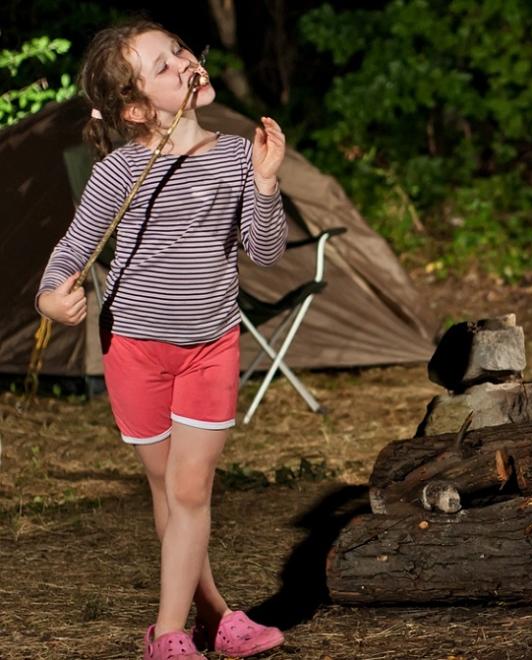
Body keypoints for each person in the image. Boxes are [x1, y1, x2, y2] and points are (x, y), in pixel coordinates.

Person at [36, 20, 288, 657]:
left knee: (189, 490)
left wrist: (264, 183)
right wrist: (51, 297)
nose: (184, 62)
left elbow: (263, 252)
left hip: (210, 346)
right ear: (137, 108)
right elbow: (71, 251)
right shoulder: (120, 171)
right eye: (163, 65)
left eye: (180, 50)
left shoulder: (236, 156)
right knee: (166, 493)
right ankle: (215, 616)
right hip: (135, 351)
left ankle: (167, 634)